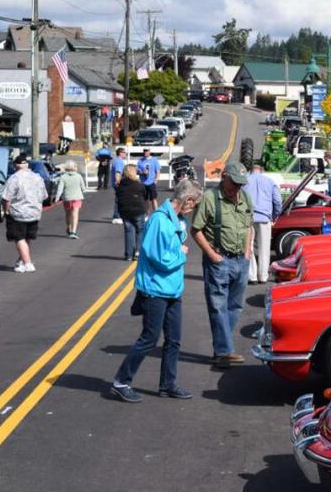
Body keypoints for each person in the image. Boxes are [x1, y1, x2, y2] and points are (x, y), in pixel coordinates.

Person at [110, 179, 204, 403]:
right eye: (194, 204)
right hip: (155, 289)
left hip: (172, 289)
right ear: (187, 200)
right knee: (149, 338)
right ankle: (121, 381)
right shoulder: (159, 221)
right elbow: (157, 257)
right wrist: (181, 253)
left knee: (174, 340)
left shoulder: (177, 220)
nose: (193, 209)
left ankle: (168, 384)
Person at [191, 162, 254, 368]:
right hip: (219, 260)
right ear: (224, 177)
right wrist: (211, 254)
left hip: (240, 260)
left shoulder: (244, 197)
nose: (237, 188)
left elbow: (249, 226)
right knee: (218, 307)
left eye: (240, 184)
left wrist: (246, 252)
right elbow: (196, 229)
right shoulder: (210, 198)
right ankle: (225, 351)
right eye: (234, 182)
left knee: (235, 306)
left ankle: (221, 348)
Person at [1, 154, 48, 273]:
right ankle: (22, 261)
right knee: (27, 237)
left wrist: (6, 211)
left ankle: (28, 263)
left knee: (19, 237)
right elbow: (44, 196)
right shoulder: (37, 177)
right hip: (35, 212)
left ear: (15, 166)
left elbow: (6, 198)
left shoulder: (14, 178)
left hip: (18, 212)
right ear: (27, 165)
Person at [243, 163, 282, 285]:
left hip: (248, 218)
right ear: (262, 171)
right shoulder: (270, 182)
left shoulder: (244, 181)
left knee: (248, 247)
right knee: (264, 248)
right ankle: (263, 276)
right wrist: (275, 216)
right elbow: (278, 201)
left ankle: (252, 276)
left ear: (251, 171)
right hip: (265, 218)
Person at [117, 165, 147, 260]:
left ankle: (128, 254)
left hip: (125, 211)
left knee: (128, 231)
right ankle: (138, 252)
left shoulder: (120, 186)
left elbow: (118, 196)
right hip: (138, 210)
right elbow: (145, 195)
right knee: (140, 230)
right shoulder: (139, 185)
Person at [56, 161, 87, 239]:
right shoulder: (78, 176)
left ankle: (68, 227)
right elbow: (83, 188)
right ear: (75, 167)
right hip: (77, 197)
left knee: (67, 214)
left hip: (67, 198)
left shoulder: (63, 177)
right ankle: (73, 231)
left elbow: (60, 188)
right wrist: (83, 190)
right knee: (75, 214)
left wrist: (57, 197)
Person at [137, 148, 161, 215]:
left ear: (149, 152)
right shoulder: (140, 161)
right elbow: (137, 171)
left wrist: (156, 180)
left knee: (154, 199)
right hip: (143, 183)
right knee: (145, 200)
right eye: (144, 151)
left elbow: (158, 171)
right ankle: (147, 215)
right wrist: (142, 172)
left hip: (151, 182)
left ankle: (157, 214)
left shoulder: (154, 160)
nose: (145, 152)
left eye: (147, 151)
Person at [111, 147, 127, 224]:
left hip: (117, 183)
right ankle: (117, 217)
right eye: (124, 152)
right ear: (120, 153)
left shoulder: (116, 161)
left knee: (119, 200)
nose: (125, 154)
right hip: (119, 184)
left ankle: (118, 216)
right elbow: (118, 173)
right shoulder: (119, 162)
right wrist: (119, 183)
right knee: (119, 200)